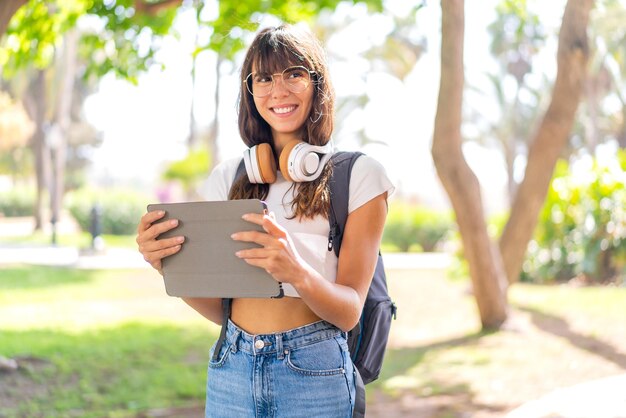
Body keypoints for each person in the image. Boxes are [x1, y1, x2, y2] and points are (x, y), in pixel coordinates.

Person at [136, 24, 394, 418]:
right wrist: (168, 265)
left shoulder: (359, 176)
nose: (279, 90)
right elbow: (221, 309)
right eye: (264, 77)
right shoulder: (229, 177)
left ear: (317, 84)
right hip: (232, 365)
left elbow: (349, 311)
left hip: (315, 369)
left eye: (294, 73)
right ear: (250, 89)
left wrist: (296, 271)